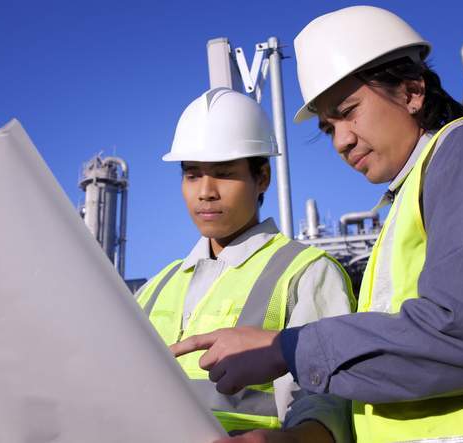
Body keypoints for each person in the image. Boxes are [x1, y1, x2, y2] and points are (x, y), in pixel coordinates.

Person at [171, 6, 463, 443]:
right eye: (329, 128)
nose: (342, 141)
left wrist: (285, 348)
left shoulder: (458, 151)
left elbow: (457, 330)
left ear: (411, 91)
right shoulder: (413, 192)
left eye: (349, 111)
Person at [137, 87, 355, 440]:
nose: (205, 190)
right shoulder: (156, 287)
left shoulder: (306, 272)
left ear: (263, 178)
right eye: (192, 174)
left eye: (223, 173)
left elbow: (329, 403)